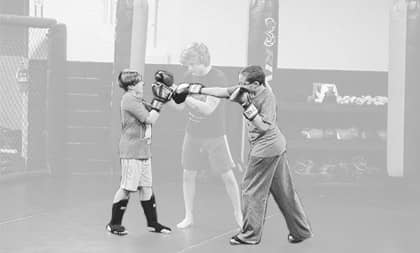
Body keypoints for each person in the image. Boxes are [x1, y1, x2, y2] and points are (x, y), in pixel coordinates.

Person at [173, 65, 313, 245]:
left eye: (243, 83)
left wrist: (246, 105)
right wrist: (195, 88)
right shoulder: (246, 89)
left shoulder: (267, 97)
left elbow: (264, 127)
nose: (239, 86)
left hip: (266, 149)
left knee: (252, 191)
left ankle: (249, 235)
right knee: (285, 192)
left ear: (255, 84)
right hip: (275, 148)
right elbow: (221, 91)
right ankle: (301, 231)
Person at [170, 42, 242, 229]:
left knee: (227, 175)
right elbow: (179, 108)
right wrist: (169, 96)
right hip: (192, 132)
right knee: (188, 174)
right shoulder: (188, 76)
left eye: (192, 64)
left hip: (215, 134)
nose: (190, 69)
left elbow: (208, 108)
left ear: (202, 60)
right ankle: (188, 215)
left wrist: (185, 96)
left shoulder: (218, 77)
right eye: (187, 65)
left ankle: (239, 213)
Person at [106, 69, 173, 235]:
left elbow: (152, 110)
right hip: (132, 150)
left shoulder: (137, 98)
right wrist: (159, 100)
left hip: (143, 150)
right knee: (127, 188)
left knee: (146, 188)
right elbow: (150, 119)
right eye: (140, 81)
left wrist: (171, 95)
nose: (143, 83)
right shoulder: (128, 100)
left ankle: (153, 223)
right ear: (131, 86)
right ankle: (113, 224)